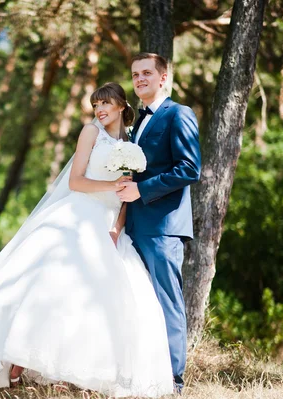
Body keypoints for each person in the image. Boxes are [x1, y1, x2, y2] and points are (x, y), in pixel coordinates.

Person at [0, 82, 174, 399]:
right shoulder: (91, 133)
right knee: (46, 286)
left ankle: (65, 368)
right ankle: (14, 360)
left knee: (92, 297)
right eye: (96, 105)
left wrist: (116, 228)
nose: (100, 110)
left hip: (108, 224)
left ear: (122, 105)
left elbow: (127, 197)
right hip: (80, 214)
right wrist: (110, 188)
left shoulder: (132, 143)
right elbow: (76, 182)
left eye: (106, 103)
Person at [117, 53, 202, 392]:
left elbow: (189, 168)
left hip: (164, 225)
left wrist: (142, 190)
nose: (139, 79)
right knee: (136, 301)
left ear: (164, 77)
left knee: (167, 301)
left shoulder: (178, 114)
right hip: (134, 226)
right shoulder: (137, 123)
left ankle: (173, 380)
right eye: (135, 74)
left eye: (147, 73)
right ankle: (141, 373)